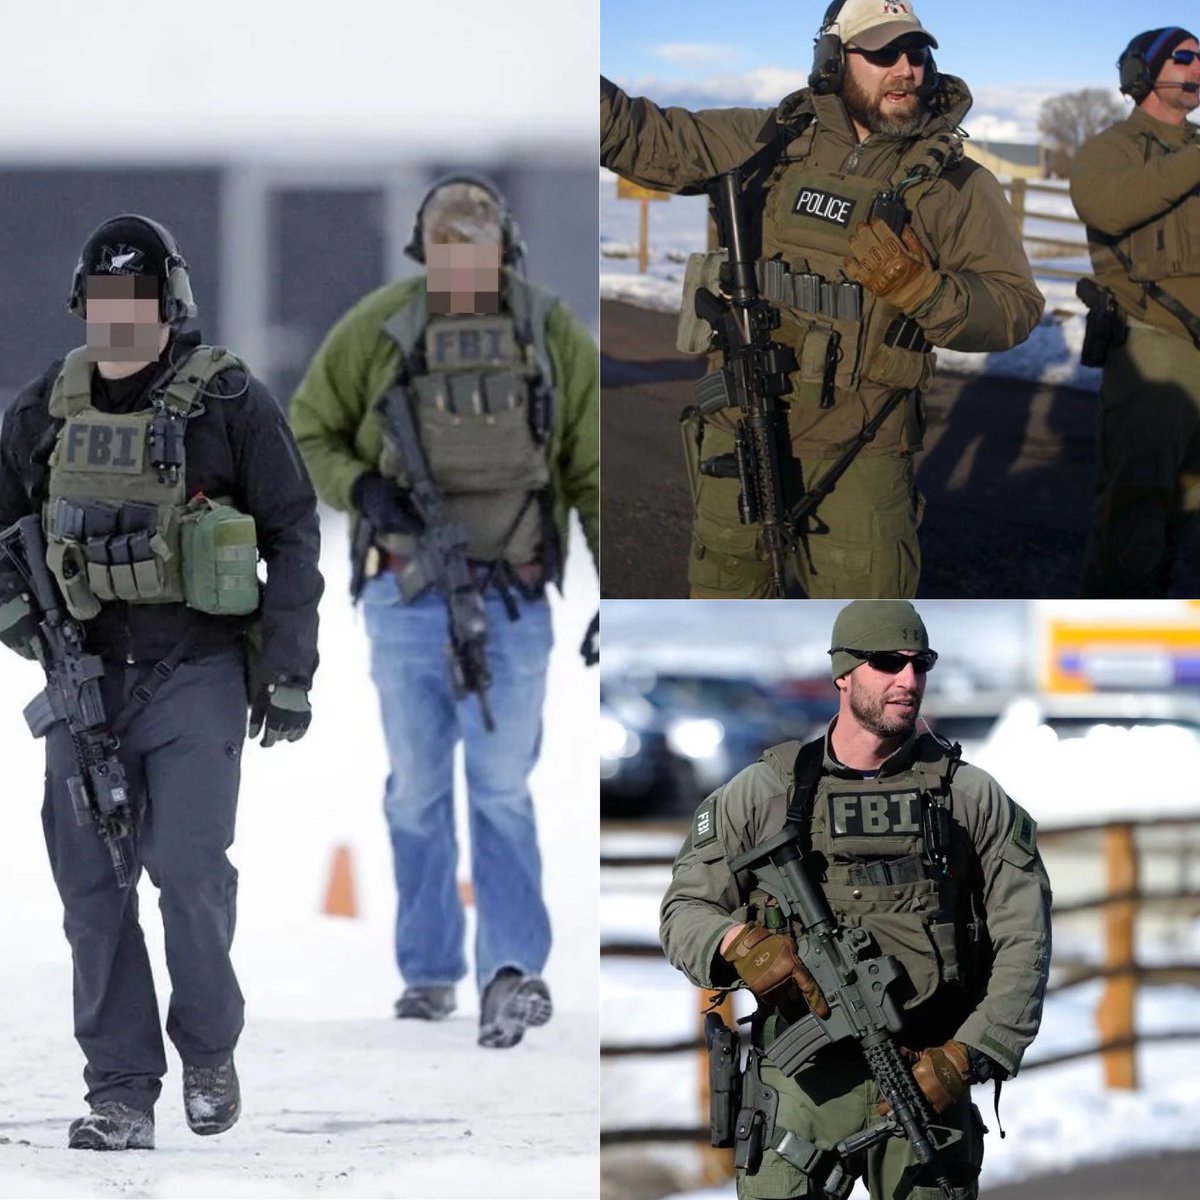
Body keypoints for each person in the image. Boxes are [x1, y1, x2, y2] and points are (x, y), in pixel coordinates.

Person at [0, 214, 323, 1149]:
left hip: (197, 672)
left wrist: (291, 671)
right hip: (82, 679)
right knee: (93, 893)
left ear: (168, 306)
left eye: (135, 304)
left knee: (186, 871)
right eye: (103, 304)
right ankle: (121, 1090)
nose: (118, 322)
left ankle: (209, 1049)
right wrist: (20, 620)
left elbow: (294, 531)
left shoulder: (226, 401)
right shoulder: (46, 408)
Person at [289, 174, 598, 1048]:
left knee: (500, 789)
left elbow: (590, 463)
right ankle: (428, 973)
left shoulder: (546, 330)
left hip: (513, 597)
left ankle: (511, 973)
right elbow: (308, 427)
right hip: (406, 594)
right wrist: (362, 490)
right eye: (448, 251)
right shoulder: (383, 327)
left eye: (479, 250)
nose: (463, 266)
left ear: (504, 251)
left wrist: (609, 587)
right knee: (419, 793)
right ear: (426, 253)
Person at [601, 0, 1043, 600]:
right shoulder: (768, 140)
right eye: (883, 53)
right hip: (741, 423)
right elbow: (638, 134)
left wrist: (924, 291)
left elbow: (1014, 308)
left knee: (862, 631)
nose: (905, 69)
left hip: (860, 455)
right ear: (833, 61)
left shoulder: (956, 185)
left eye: (916, 52)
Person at [661, 600, 1051, 1199]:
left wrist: (969, 1056)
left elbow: (1025, 937)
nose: (909, 680)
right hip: (803, 1089)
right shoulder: (767, 790)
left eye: (921, 664)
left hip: (928, 1077)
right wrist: (738, 943)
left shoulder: (968, 796)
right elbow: (684, 910)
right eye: (888, 663)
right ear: (844, 673)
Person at [1070, 27, 1200, 597]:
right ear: (1143, 72)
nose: (1198, 68)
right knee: (1136, 510)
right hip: (1153, 346)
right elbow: (1107, 205)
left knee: (1190, 510)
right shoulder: (1112, 149)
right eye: (1186, 57)